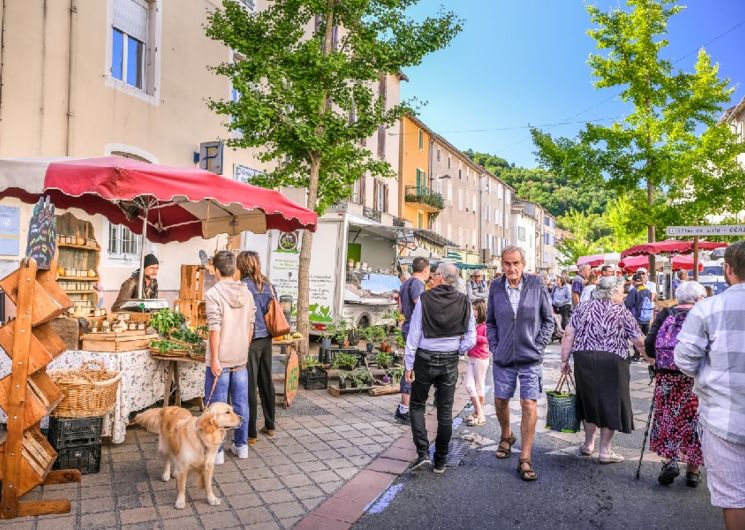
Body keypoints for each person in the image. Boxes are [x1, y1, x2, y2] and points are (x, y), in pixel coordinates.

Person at [675, 241, 745, 530]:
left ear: (728, 269)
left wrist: (708, 374)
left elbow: (685, 359)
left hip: (722, 415)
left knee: (734, 498)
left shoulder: (709, 309)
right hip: (722, 413)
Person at [560, 277, 645, 464]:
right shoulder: (621, 311)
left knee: (588, 398)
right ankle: (605, 451)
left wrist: (564, 361)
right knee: (611, 401)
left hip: (585, 359)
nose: (623, 294)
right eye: (621, 290)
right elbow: (639, 341)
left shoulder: (582, 308)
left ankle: (588, 444)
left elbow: (568, 334)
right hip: (613, 360)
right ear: (613, 292)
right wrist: (652, 359)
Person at [487, 246, 554, 481]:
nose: (511, 268)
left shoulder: (536, 284)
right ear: (502, 265)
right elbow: (491, 322)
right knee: (500, 399)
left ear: (523, 264)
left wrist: (539, 345)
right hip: (504, 357)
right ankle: (506, 435)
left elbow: (549, 320)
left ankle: (525, 458)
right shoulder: (495, 287)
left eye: (516, 263)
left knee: (529, 403)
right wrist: (495, 346)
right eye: (507, 263)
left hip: (530, 357)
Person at [405, 262, 476, 474]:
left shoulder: (425, 299)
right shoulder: (465, 302)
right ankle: (441, 461)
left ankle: (423, 453)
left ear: (443, 278)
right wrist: (459, 349)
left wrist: (408, 364)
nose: (432, 278)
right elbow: (471, 337)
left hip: (424, 357)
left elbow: (414, 334)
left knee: (417, 405)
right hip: (449, 359)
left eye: (435, 275)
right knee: (445, 412)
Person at [644, 281, 706, 487]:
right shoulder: (702, 314)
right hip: (694, 377)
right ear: (698, 298)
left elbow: (650, 343)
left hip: (667, 376)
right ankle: (693, 470)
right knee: (694, 420)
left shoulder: (665, 313)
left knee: (668, 418)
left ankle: (670, 461)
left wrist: (657, 361)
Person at [204, 251, 254, 463]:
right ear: (234, 269)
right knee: (241, 404)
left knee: (217, 406)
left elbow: (214, 328)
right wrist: (243, 347)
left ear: (216, 270)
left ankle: (217, 452)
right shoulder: (247, 292)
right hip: (240, 358)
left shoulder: (213, 293)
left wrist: (215, 358)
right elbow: (251, 327)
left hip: (220, 359)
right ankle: (241, 446)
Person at [237, 250, 277, 446]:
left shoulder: (243, 286)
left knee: (250, 386)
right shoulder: (267, 284)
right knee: (266, 382)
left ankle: (251, 433)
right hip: (267, 339)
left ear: (241, 265)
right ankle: (270, 426)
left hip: (251, 340)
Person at [394, 257, 430, 424]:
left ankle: (406, 407)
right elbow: (420, 305)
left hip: (407, 326)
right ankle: (404, 409)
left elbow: (400, 308)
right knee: (412, 367)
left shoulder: (405, 283)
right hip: (414, 330)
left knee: (410, 366)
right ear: (425, 270)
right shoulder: (417, 284)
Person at [465, 299, 489, 427]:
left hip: (481, 358)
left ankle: (479, 414)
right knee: (469, 385)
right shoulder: (474, 323)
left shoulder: (486, 325)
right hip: (472, 357)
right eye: (472, 309)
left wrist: (473, 337)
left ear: (480, 310)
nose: (473, 312)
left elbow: (487, 339)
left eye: (475, 309)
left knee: (479, 386)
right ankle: (478, 413)